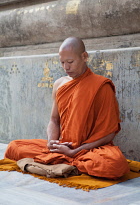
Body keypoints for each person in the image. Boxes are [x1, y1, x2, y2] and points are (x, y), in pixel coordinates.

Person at [5, 37, 129, 179]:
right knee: (13, 147)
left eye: (70, 62)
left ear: (84, 57)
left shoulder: (101, 86)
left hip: (88, 149)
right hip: (62, 147)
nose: (66, 67)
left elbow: (110, 133)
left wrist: (76, 151)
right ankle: (66, 161)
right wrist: (52, 143)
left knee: (115, 165)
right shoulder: (59, 84)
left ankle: (63, 162)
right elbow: (54, 120)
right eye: (62, 62)